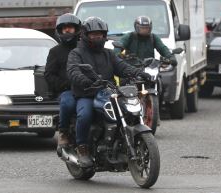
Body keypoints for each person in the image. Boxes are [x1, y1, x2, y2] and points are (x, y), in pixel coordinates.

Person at [67, 16, 151, 168]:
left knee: (125, 110)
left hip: (108, 92)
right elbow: (73, 71)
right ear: (85, 35)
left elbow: (122, 67)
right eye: (93, 34)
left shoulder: (108, 53)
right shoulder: (76, 53)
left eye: (100, 34)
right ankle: (82, 149)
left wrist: (138, 72)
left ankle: (119, 142)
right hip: (86, 93)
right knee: (84, 115)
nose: (97, 37)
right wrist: (86, 81)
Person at [44, 13, 81, 150]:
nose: (67, 31)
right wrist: (66, 84)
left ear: (76, 30)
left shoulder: (84, 48)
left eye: (70, 28)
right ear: (59, 31)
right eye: (64, 28)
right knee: (67, 103)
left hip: (86, 88)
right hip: (66, 91)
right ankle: (63, 132)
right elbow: (49, 74)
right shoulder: (55, 51)